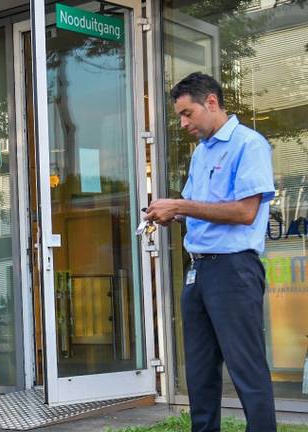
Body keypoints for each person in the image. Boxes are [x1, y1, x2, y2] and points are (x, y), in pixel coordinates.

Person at [145, 72, 276, 432]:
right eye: (180, 117)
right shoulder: (202, 154)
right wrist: (171, 212)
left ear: (212, 102)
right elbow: (196, 206)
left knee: (246, 367)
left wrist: (180, 205)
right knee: (200, 372)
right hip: (198, 271)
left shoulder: (249, 145)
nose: (184, 123)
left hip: (234, 270)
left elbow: (245, 212)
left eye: (188, 114)